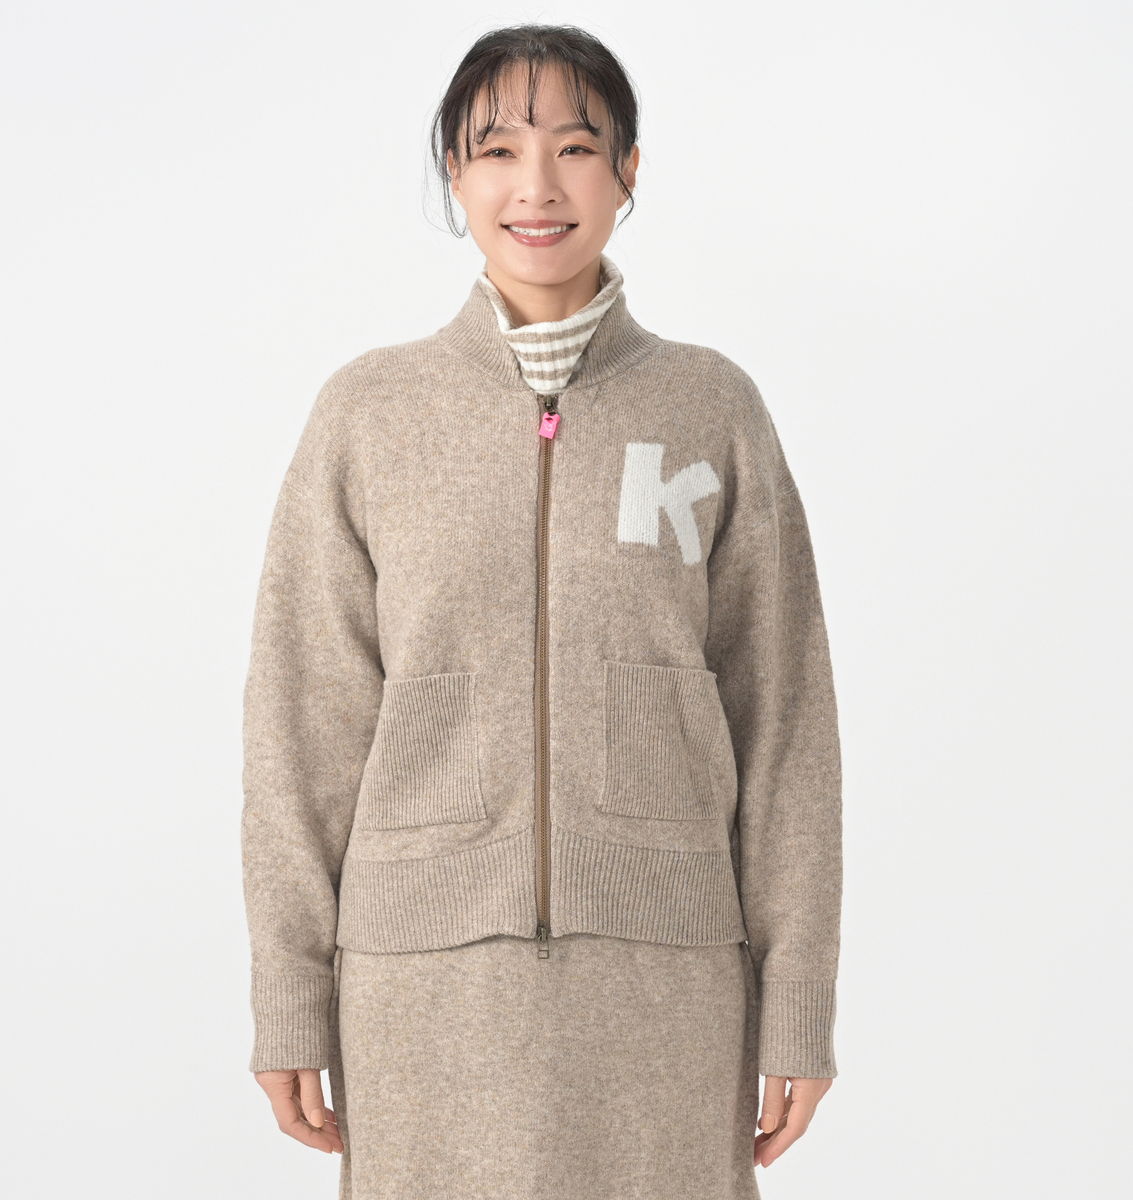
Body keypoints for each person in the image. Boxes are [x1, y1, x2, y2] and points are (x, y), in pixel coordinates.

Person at [240, 24, 842, 1200]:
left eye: (575, 147)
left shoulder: (711, 408)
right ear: (454, 175)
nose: (537, 186)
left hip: (667, 984)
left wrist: (799, 1000)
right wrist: (288, 995)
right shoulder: (368, 414)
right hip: (422, 987)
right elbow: (300, 726)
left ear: (627, 172)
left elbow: (786, 725)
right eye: (498, 150)